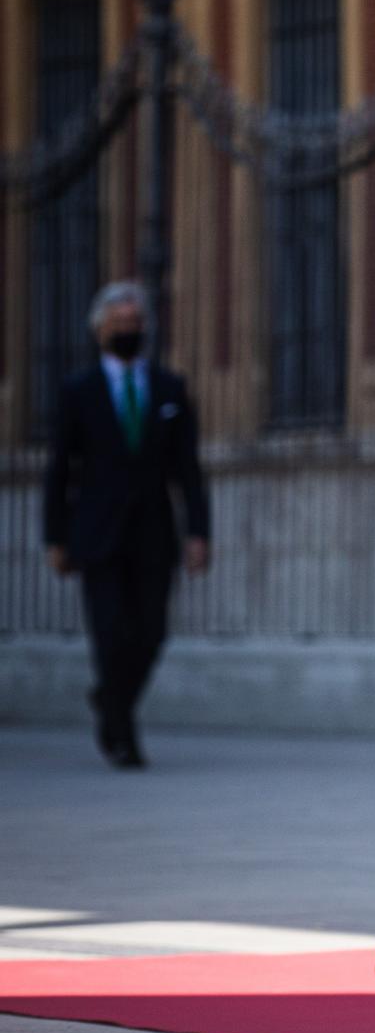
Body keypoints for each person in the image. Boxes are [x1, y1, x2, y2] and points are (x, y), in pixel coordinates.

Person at [42, 280, 210, 770]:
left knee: (152, 632)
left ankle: (109, 701)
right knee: (111, 633)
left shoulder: (168, 388)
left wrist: (198, 532)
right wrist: (55, 537)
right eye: (120, 325)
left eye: (135, 325)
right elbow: (59, 470)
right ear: (100, 331)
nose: (129, 331)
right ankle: (122, 733)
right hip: (97, 534)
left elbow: (188, 470)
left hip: (154, 532)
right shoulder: (79, 392)